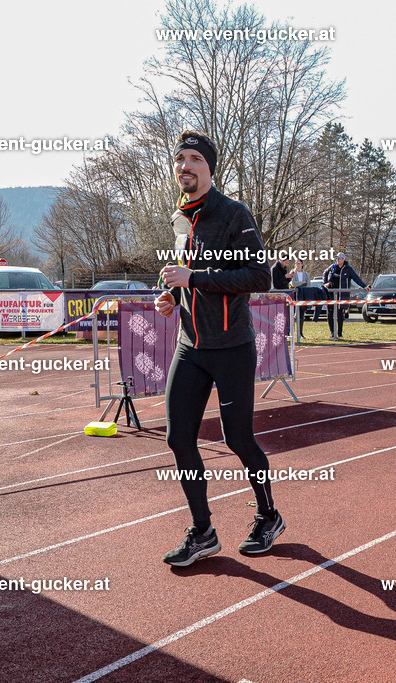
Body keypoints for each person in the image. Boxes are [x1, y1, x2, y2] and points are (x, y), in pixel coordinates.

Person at [154, 130, 284, 566]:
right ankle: (202, 531)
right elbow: (181, 274)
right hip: (190, 345)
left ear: (209, 168)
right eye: (180, 159)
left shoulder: (233, 213)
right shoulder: (178, 217)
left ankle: (268, 515)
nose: (185, 166)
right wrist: (171, 295)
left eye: (194, 159)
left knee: (238, 438)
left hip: (231, 347)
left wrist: (195, 279)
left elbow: (258, 278)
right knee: (178, 438)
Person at [321, 252, 367, 340]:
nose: (337, 260)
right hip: (331, 294)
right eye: (336, 258)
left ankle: (339, 333)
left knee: (340, 314)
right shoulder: (332, 267)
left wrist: (364, 286)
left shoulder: (348, 269)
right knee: (330, 313)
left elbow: (356, 278)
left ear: (343, 259)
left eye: (339, 258)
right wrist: (325, 283)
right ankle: (332, 333)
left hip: (341, 294)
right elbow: (325, 273)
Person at [287, 259, 312, 339]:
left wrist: (301, 284)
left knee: (301, 316)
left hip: (303, 297)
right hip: (293, 296)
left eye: (299, 263)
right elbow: (293, 283)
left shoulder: (306, 274)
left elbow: (308, 284)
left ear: (302, 264)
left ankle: (300, 333)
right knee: (291, 315)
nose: (297, 264)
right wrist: (302, 283)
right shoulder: (292, 273)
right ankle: (289, 333)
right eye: (296, 263)